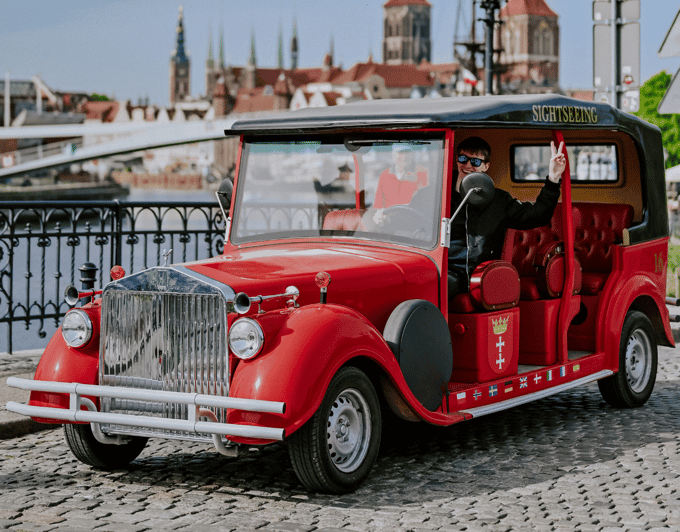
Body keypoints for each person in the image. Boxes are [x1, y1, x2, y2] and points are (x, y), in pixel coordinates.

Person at [448, 136, 566, 299]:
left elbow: (537, 216)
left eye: (475, 162)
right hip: (437, 263)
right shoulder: (438, 193)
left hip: (471, 274)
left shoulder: (499, 201)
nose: (467, 165)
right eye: (463, 158)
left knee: (440, 283)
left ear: (486, 166)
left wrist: (553, 178)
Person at [372, 145, 428, 224]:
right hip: (389, 223)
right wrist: (378, 217)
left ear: (412, 154)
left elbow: (426, 204)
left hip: (413, 224)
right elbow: (378, 206)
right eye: (400, 153)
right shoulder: (384, 176)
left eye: (407, 152)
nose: (404, 156)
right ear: (393, 155)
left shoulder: (422, 173)